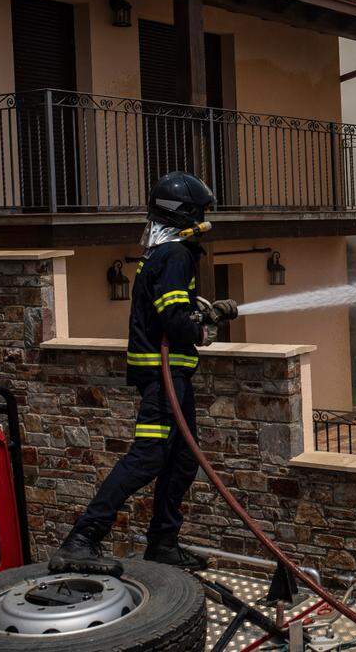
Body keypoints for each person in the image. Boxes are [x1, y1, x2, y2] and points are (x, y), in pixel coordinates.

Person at [48, 172, 238, 576]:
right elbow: (173, 317)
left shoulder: (164, 253)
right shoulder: (175, 255)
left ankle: (163, 543)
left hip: (173, 379)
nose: (205, 217)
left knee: (183, 460)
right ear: (184, 212)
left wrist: (202, 310)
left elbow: (169, 309)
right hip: (162, 380)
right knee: (148, 457)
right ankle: (82, 539)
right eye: (201, 211)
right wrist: (203, 323)